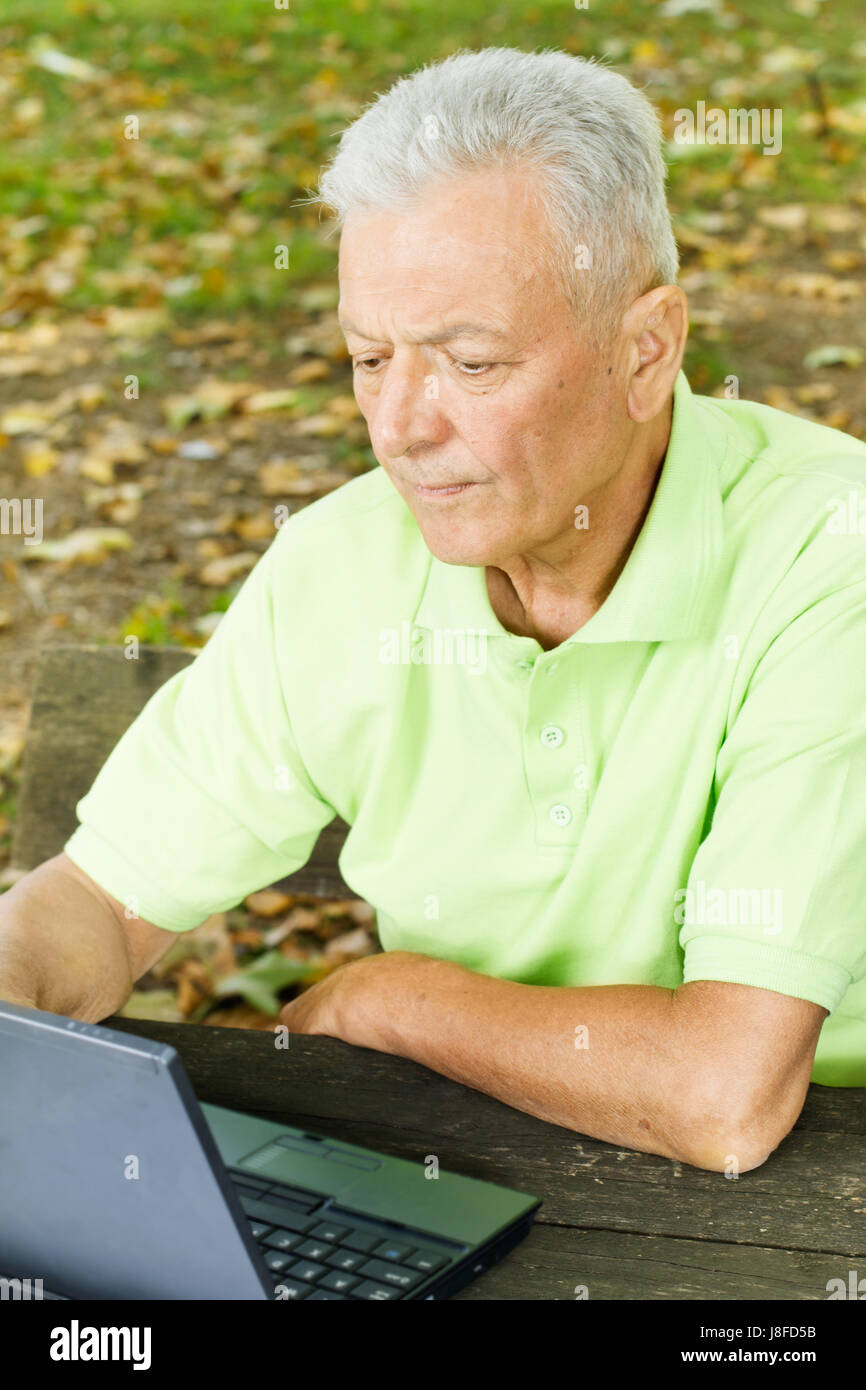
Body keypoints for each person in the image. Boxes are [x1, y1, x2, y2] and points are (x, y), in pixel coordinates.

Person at [4, 48, 865, 1173]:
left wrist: (386, 999)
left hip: (802, 1206)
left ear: (644, 351)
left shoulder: (828, 555)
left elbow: (721, 1096)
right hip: (451, 1162)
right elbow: (101, 905)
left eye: (469, 362)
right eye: (369, 357)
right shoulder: (340, 561)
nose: (398, 427)